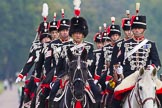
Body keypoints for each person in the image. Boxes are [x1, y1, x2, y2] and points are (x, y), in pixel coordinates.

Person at [48, 11, 101, 107]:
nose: (78, 35)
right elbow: (60, 63)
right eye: (76, 33)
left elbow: (91, 63)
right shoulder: (65, 46)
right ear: (72, 34)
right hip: (67, 74)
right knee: (53, 91)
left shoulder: (89, 46)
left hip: (84, 75)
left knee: (96, 92)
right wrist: (57, 77)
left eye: (80, 33)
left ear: (83, 34)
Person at [112, 5, 161, 108]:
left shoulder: (151, 44)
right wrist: (118, 70)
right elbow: (118, 62)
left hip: (146, 75)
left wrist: (152, 67)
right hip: (130, 76)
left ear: (143, 29)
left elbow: (157, 63)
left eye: (139, 28)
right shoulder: (124, 44)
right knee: (116, 93)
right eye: (135, 28)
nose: (137, 30)